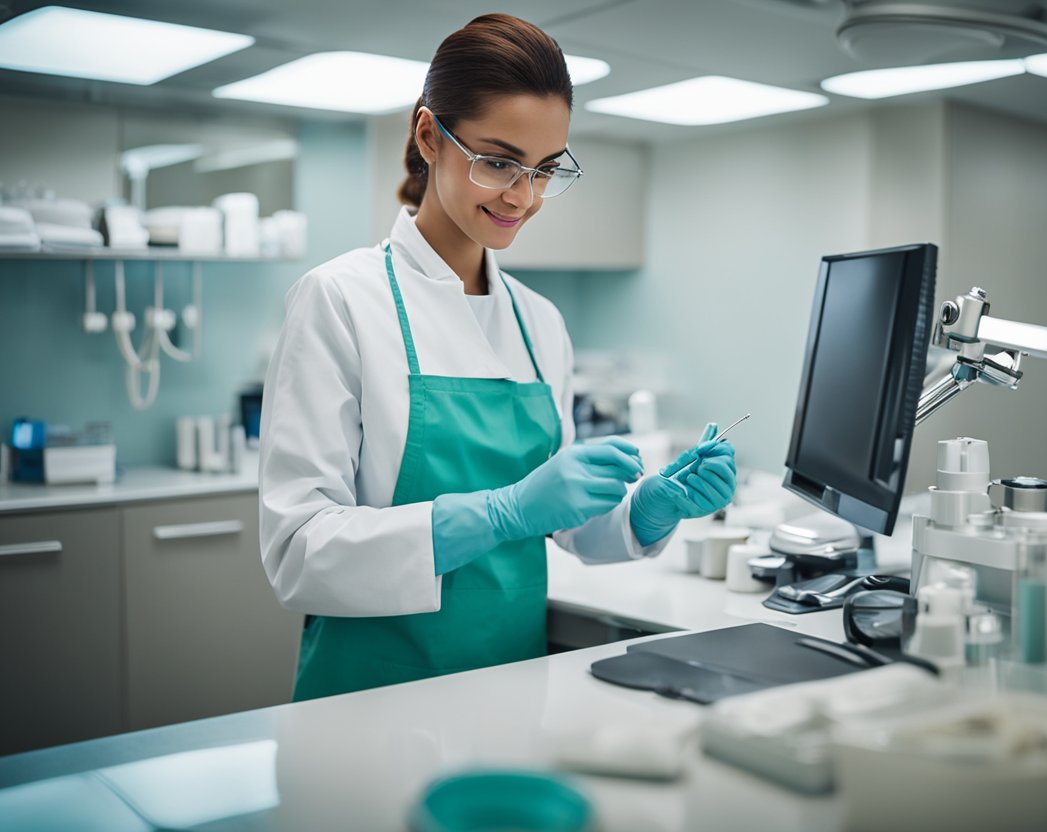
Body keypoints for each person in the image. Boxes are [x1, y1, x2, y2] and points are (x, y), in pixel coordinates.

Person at [259, 13, 737, 701]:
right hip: (368, 697)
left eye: (545, 170)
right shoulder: (339, 300)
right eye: (499, 161)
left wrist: (644, 511)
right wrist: (498, 513)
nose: (524, 196)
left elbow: (564, 522)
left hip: (510, 689)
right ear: (430, 137)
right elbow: (298, 554)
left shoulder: (540, 323)